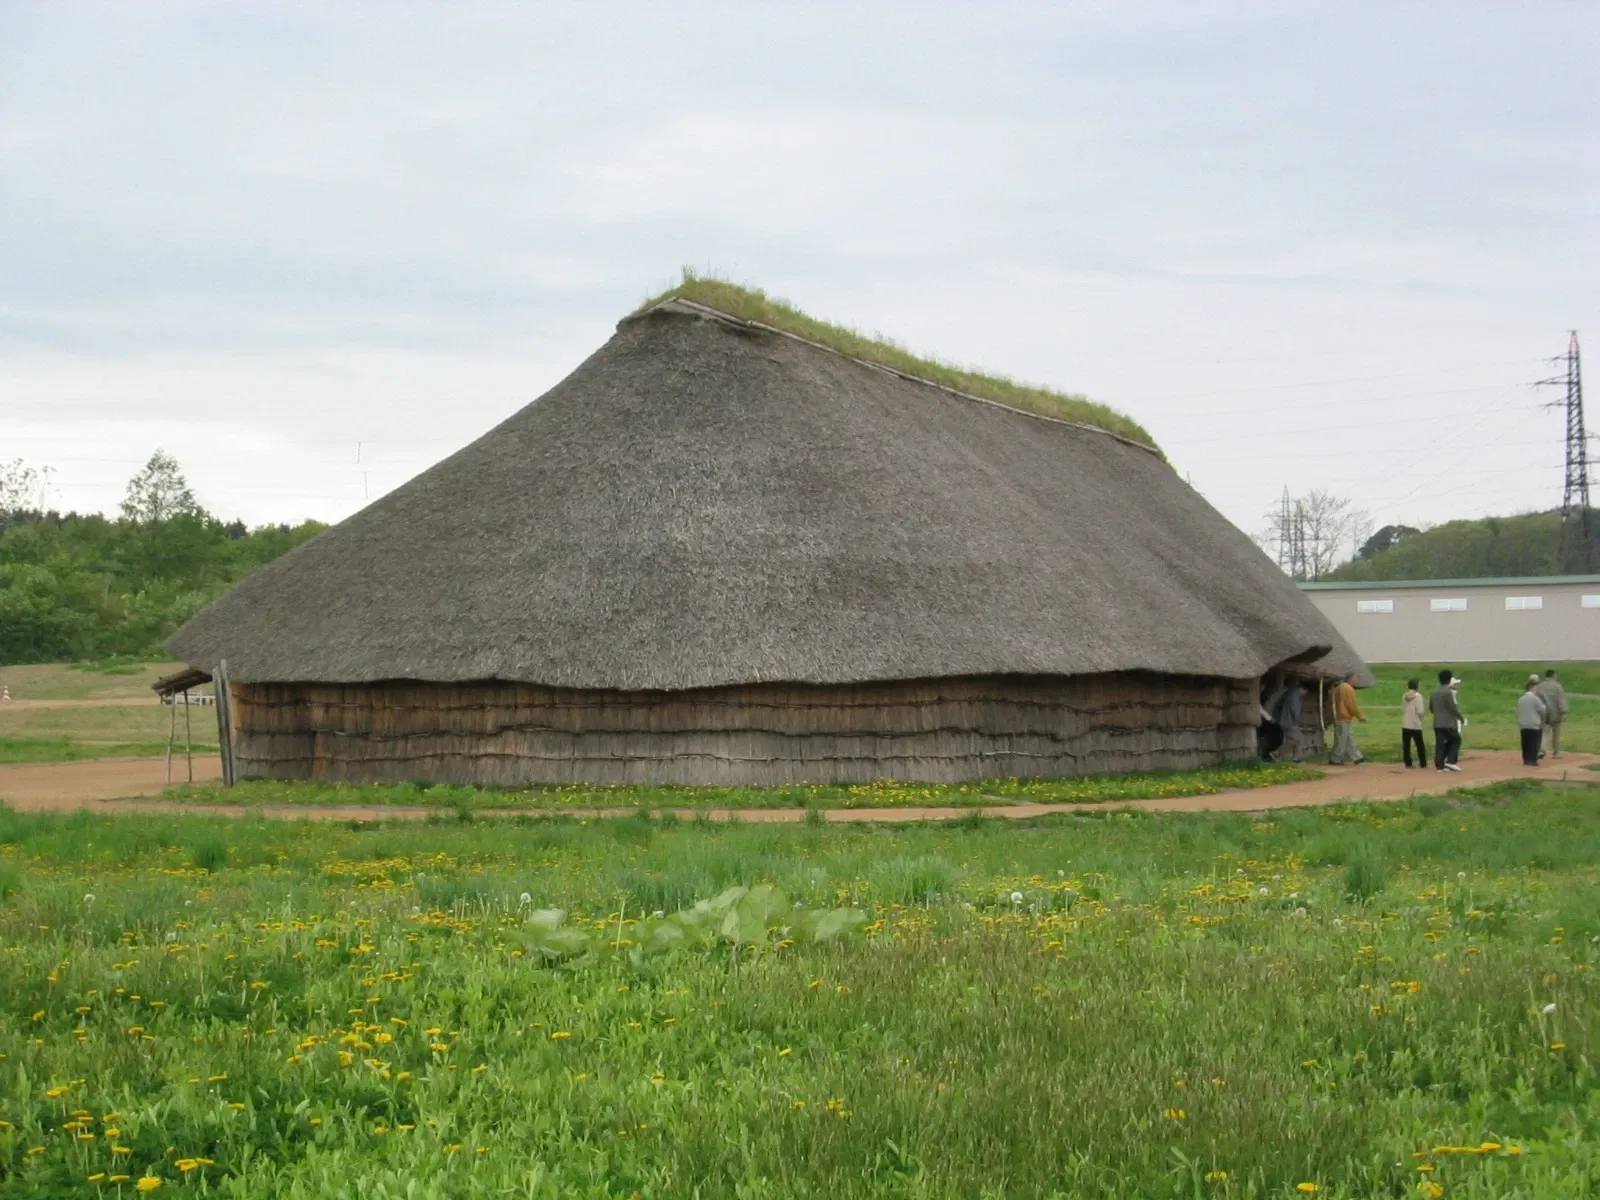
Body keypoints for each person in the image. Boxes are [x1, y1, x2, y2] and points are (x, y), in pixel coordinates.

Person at [1429, 668, 1464, 772]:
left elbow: (1431, 707)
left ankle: (1439, 765)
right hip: (1448, 723)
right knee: (1456, 739)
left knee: (1440, 743)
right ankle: (1451, 761)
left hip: (1437, 722)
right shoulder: (1447, 692)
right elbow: (1452, 708)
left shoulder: (1435, 693)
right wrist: (1460, 718)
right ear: (1449, 680)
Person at [1329, 671, 1366, 764]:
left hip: (1342, 717)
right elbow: (1351, 705)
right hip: (1342, 717)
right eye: (1355, 679)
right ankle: (1335, 759)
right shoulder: (1347, 688)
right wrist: (1359, 716)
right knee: (1342, 739)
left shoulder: (1339, 687)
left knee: (1349, 738)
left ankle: (1357, 757)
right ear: (1351, 679)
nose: (1356, 682)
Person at [1274, 680, 1310, 763]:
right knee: (1297, 739)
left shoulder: (1292, 694)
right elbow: (1295, 711)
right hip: (1289, 722)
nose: (1304, 694)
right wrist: (1299, 721)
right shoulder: (1294, 696)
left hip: (1286, 721)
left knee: (1298, 738)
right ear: (1303, 689)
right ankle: (1277, 753)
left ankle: (1296, 757)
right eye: (1305, 692)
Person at [1539, 668, 1570, 758]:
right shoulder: (1557, 686)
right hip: (1556, 714)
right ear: (1553, 675)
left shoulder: (1541, 686)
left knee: (1544, 732)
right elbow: (1561, 700)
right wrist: (1564, 712)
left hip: (1544, 713)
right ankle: (1556, 752)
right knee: (1556, 734)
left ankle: (1542, 749)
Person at [1517, 677, 1548, 767]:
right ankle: (1532, 760)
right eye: (1536, 688)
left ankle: (1526, 759)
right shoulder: (1535, 699)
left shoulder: (1521, 699)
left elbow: (1518, 711)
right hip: (1533, 724)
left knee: (1525, 743)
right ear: (1532, 688)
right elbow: (1542, 710)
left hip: (1523, 724)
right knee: (1533, 743)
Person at [1400, 677, 1427, 768]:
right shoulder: (1418, 696)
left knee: (1406, 746)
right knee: (1420, 745)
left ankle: (1408, 763)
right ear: (1417, 686)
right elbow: (1420, 711)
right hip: (1415, 724)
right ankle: (1423, 763)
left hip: (1406, 723)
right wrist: (1422, 718)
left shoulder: (1404, 695)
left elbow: (1403, 708)